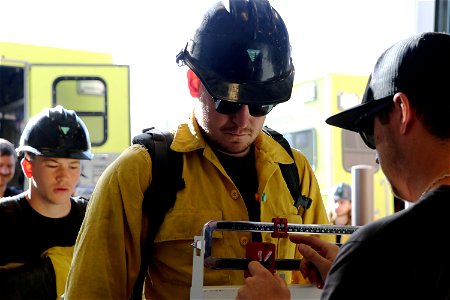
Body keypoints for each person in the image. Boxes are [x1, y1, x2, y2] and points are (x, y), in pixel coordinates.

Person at [64, 1, 332, 299]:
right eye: (227, 101)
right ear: (194, 83)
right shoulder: (141, 172)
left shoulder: (295, 172)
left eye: (260, 104)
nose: (243, 120)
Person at [236, 31, 450, 299]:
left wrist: (356, 271)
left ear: (403, 112)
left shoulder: (377, 253)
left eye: (370, 132)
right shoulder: (372, 262)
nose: (375, 154)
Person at [0, 105, 93, 299]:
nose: (64, 177)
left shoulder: (90, 219)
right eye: (52, 165)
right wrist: (51, 274)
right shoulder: (5, 219)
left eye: (73, 166)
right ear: (27, 167)